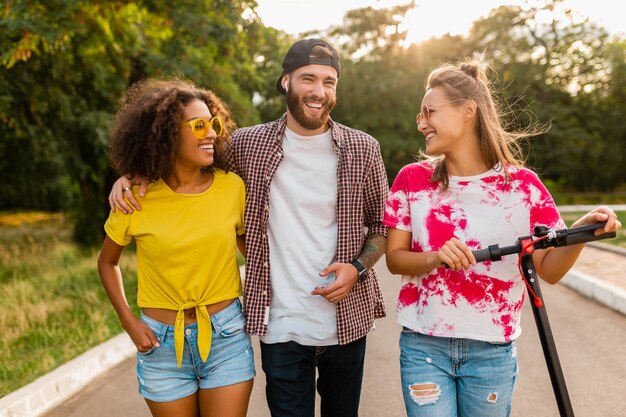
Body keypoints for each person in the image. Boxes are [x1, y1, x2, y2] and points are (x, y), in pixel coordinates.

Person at [108, 38, 389, 417]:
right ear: (286, 81)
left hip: (347, 321)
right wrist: (132, 175)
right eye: (308, 78)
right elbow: (183, 155)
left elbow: (382, 228)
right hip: (280, 326)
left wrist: (356, 269)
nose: (319, 91)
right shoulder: (245, 145)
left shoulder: (363, 149)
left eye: (329, 81)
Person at [384, 60, 622, 417]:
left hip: (491, 351)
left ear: (467, 112)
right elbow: (394, 259)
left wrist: (582, 232)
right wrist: (435, 256)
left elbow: (550, 271)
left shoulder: (523, 187)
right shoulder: (411, 180)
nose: (421, 123)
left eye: (429, 112)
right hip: (424, 345)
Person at [97, 78, 255, 417]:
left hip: (225, 335)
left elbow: (254, 251)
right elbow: (107, 262)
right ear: (167, 133)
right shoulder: (136, 197)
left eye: (213, 123)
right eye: (199, 125)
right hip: (160, 345)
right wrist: (128, 322)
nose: (211, 133)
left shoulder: (231, 188)